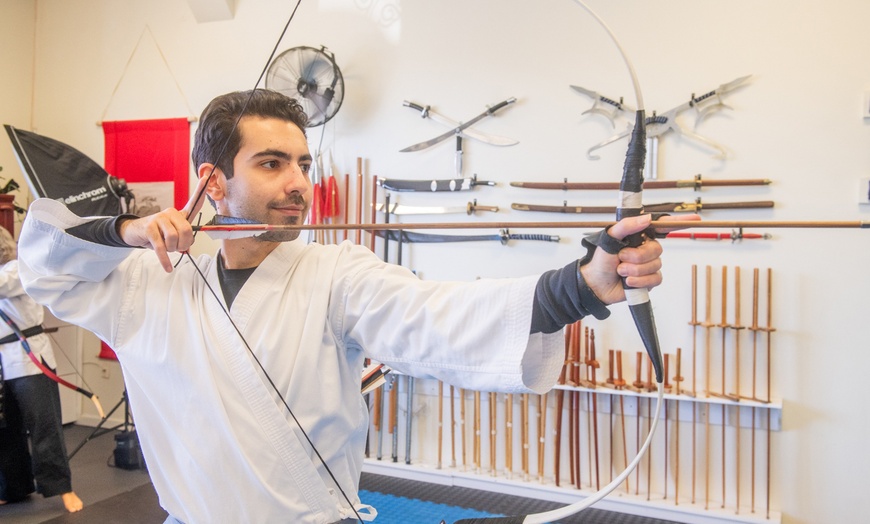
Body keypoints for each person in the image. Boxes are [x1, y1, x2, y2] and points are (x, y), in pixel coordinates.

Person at [17, 89, 696, 523]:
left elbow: (435, 317)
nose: (299, 185)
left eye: (304, 164)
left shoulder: (337, 273)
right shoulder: (141, 280)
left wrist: (580, 285)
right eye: (273, 163)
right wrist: (126, 231)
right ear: (213, 180)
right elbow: (45, 265)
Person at [0, 227, 82, 513]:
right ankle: (14, 487)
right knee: (6, 429)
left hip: (28, 359)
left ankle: (63, 488)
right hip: (2, 362)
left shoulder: (17, 269)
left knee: (43, 426)